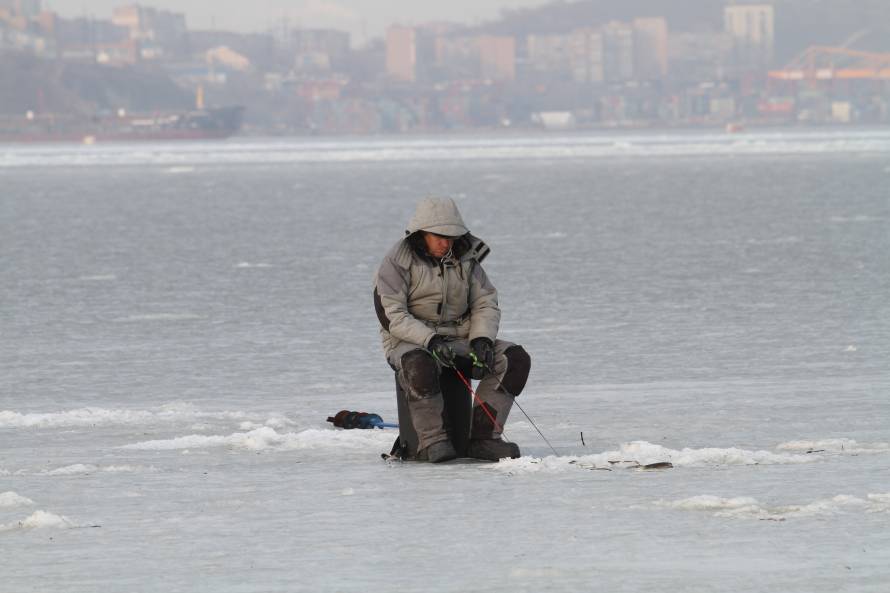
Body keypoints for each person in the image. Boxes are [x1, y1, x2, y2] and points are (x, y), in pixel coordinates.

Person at [373, 197, 531, 462]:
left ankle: (483, 439)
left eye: (452, 236)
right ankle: (432, 441)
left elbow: (485, 303)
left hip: (459, 338)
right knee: (419, 363)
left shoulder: (468, 259)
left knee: (514, 359)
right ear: (421, 233)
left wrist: (481, 339)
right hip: (409, 343)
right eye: (438, 236)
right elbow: (393, 317)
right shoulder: (395, 263)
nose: (445, 243)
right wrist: (430, 340)